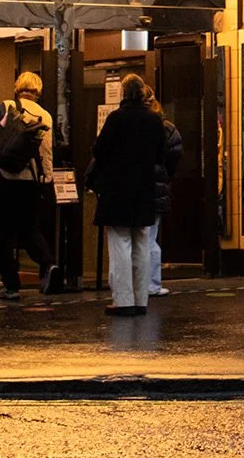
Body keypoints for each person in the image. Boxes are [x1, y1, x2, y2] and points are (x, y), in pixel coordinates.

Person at [86, 73, 166, 317]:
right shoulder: (154, 120)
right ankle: (142, 299)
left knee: (120, 244)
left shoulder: (116, 119)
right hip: (144, 188)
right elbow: (161, 156)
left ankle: (123, 300)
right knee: (142, 241)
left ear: (123, 93)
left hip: (117, 189)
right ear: (142, 92)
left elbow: (99, 151)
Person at [0, 71, 55, 301]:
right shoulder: (45, 115)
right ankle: (48, 263)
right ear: (38, 90)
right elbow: (46, 151)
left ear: (18, 87)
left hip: (5, 178)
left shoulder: (6, 106)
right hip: (31, 180)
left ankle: (12, 285)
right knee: (30, 228)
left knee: (1, 232)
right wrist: (47, 177)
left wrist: (0, 151)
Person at [142, 84, 183, 299]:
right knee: (150, 238)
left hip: (136, 188)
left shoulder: (134, 125)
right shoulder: (167, 128)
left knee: (133, 238)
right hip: (158, 187)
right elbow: (174, 157)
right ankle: (152, 284)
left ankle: (136, 284)